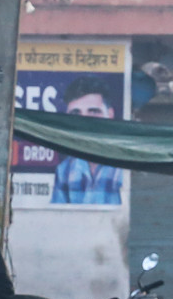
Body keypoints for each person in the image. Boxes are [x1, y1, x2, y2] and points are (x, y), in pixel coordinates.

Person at [50, 76, 124, 205]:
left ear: (110, 114)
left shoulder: (126, 166)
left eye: (94, 112)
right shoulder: (64, 170)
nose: (84, 121)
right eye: (76, 114)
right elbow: (58, 219)